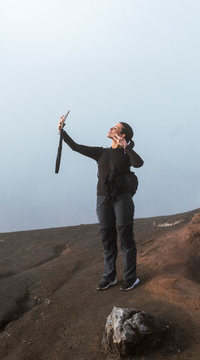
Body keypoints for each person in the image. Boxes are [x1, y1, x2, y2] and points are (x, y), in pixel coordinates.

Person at [58, 115, 144, 291]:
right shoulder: (101, 153)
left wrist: (125, 146)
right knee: (107, 238)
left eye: (115, 128)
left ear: (123, 135)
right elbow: (76, 147)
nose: (111, 129)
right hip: (103, 198)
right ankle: (110, 276)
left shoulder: (127, 153)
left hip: (122, 199)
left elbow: (139, 163)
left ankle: (131, 278)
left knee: (126, 237)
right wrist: (62, 131)